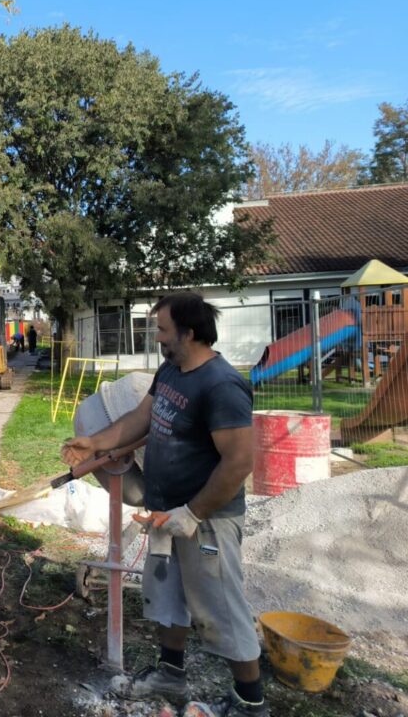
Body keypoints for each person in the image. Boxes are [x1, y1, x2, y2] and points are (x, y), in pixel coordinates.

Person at [61, 292, 266, 717]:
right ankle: (171, 673)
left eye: (162, 329)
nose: (156, 337)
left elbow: (238, 462)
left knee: (220, 606)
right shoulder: (171, 371)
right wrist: (95, 442)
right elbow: (141, 419)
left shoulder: (222, 385)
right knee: (166, 597)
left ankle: (250, 701)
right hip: (163, 511)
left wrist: (192, 514)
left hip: (206, 519)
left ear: (189, 333)